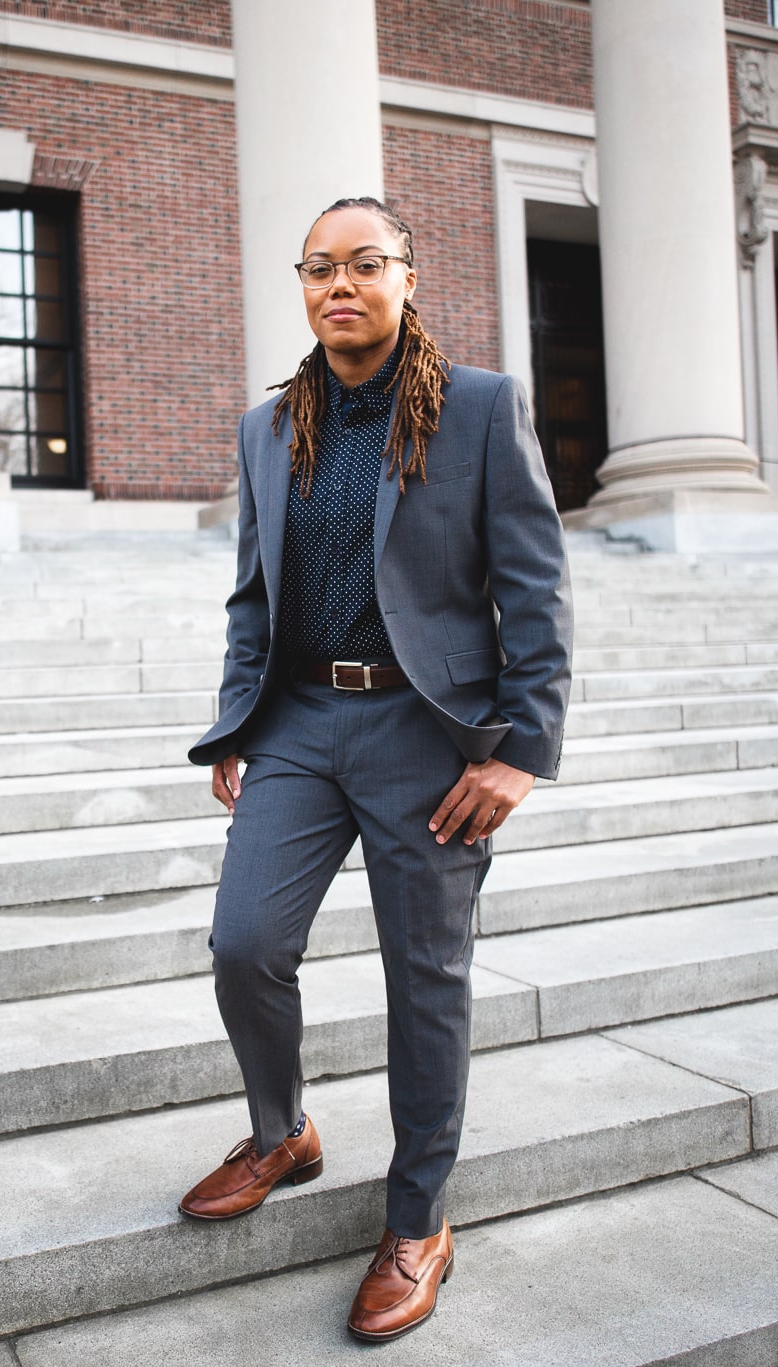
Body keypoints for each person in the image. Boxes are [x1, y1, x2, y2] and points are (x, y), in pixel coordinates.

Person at [181, 196, 572, 1342]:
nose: (338, 284)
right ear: (301, 286)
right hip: (299, 720)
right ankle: (280, 1131)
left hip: (424, 730)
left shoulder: (479, 409)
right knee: (243, 941)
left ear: (407, 276)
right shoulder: (268, 427)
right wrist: (235, 721)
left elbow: (536, 592)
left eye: (363, 264)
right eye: (318, 267)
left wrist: (520, 754)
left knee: (424, 978)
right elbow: (251, 594)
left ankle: (417, 1217)